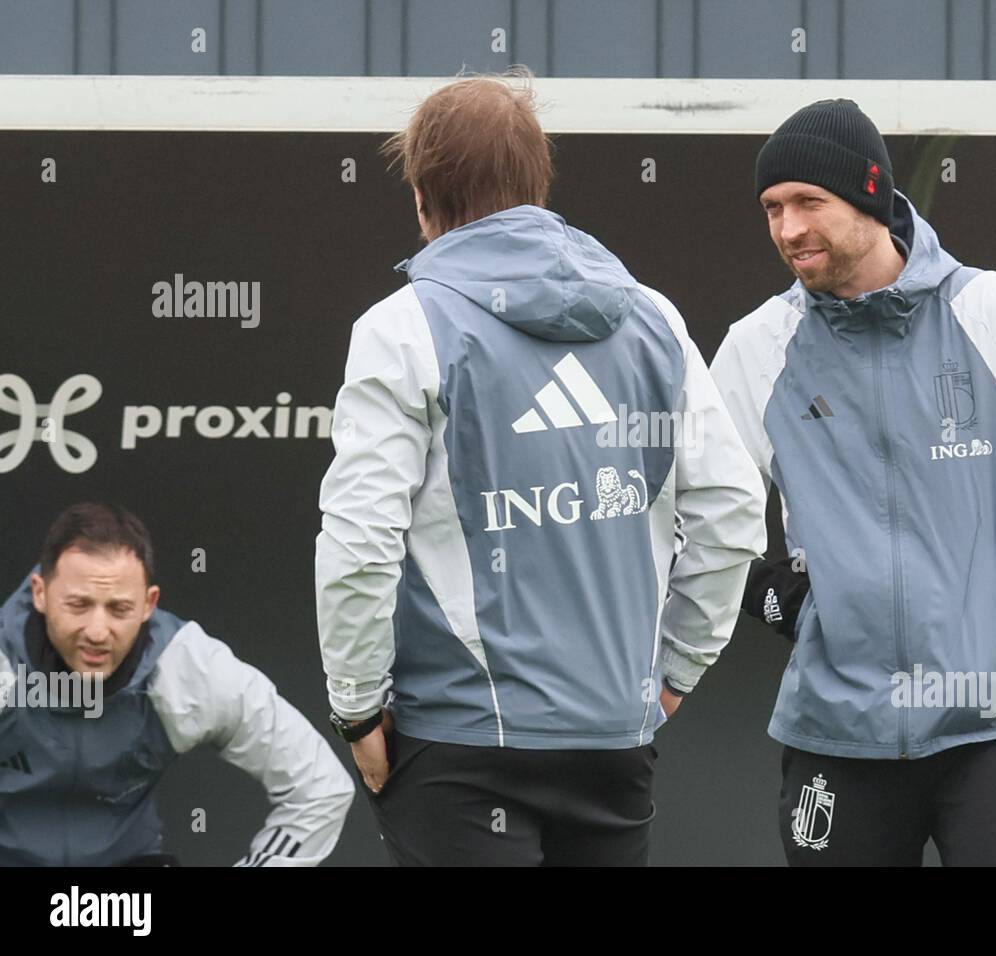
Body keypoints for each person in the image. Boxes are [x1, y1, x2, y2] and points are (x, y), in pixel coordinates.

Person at [314, 70, 766, 867]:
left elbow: (360, 541)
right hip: (610, 743)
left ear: (423, 199)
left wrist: (356, 711)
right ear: (537, 184)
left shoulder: (402, 326)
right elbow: (730, 511)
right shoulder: (652, 316)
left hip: (456, 743)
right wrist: (671, 678)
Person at [710, 99, 996, 865]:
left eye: (809, 202)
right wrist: (777, 597)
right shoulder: (758, 345)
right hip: (838, 728)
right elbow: (698, 510)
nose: (788, 228)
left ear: (869, 197)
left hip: (994, 720)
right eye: (772, 207)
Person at [0, 502, 354, 866]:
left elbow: (320, 788)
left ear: (148, 603)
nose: (96, 631)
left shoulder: (184, 667)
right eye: (78, 605)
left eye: (119, 609)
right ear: (40, 592)